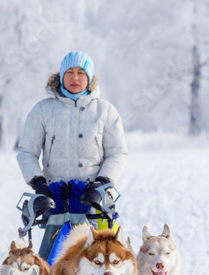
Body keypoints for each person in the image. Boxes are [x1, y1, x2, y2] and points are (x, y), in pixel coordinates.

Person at [16, 50, 128, 219]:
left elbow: (117, 153)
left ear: (89, 78)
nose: (75, 78)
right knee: (57, 245)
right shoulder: (43, 110)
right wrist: (39, 183)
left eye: (81, 73)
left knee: (97, 245)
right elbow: (27, 152)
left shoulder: (106, 111)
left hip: (94, 200)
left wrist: (102, 182)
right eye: (69, 72)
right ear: (61, 76)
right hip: (54, 199)